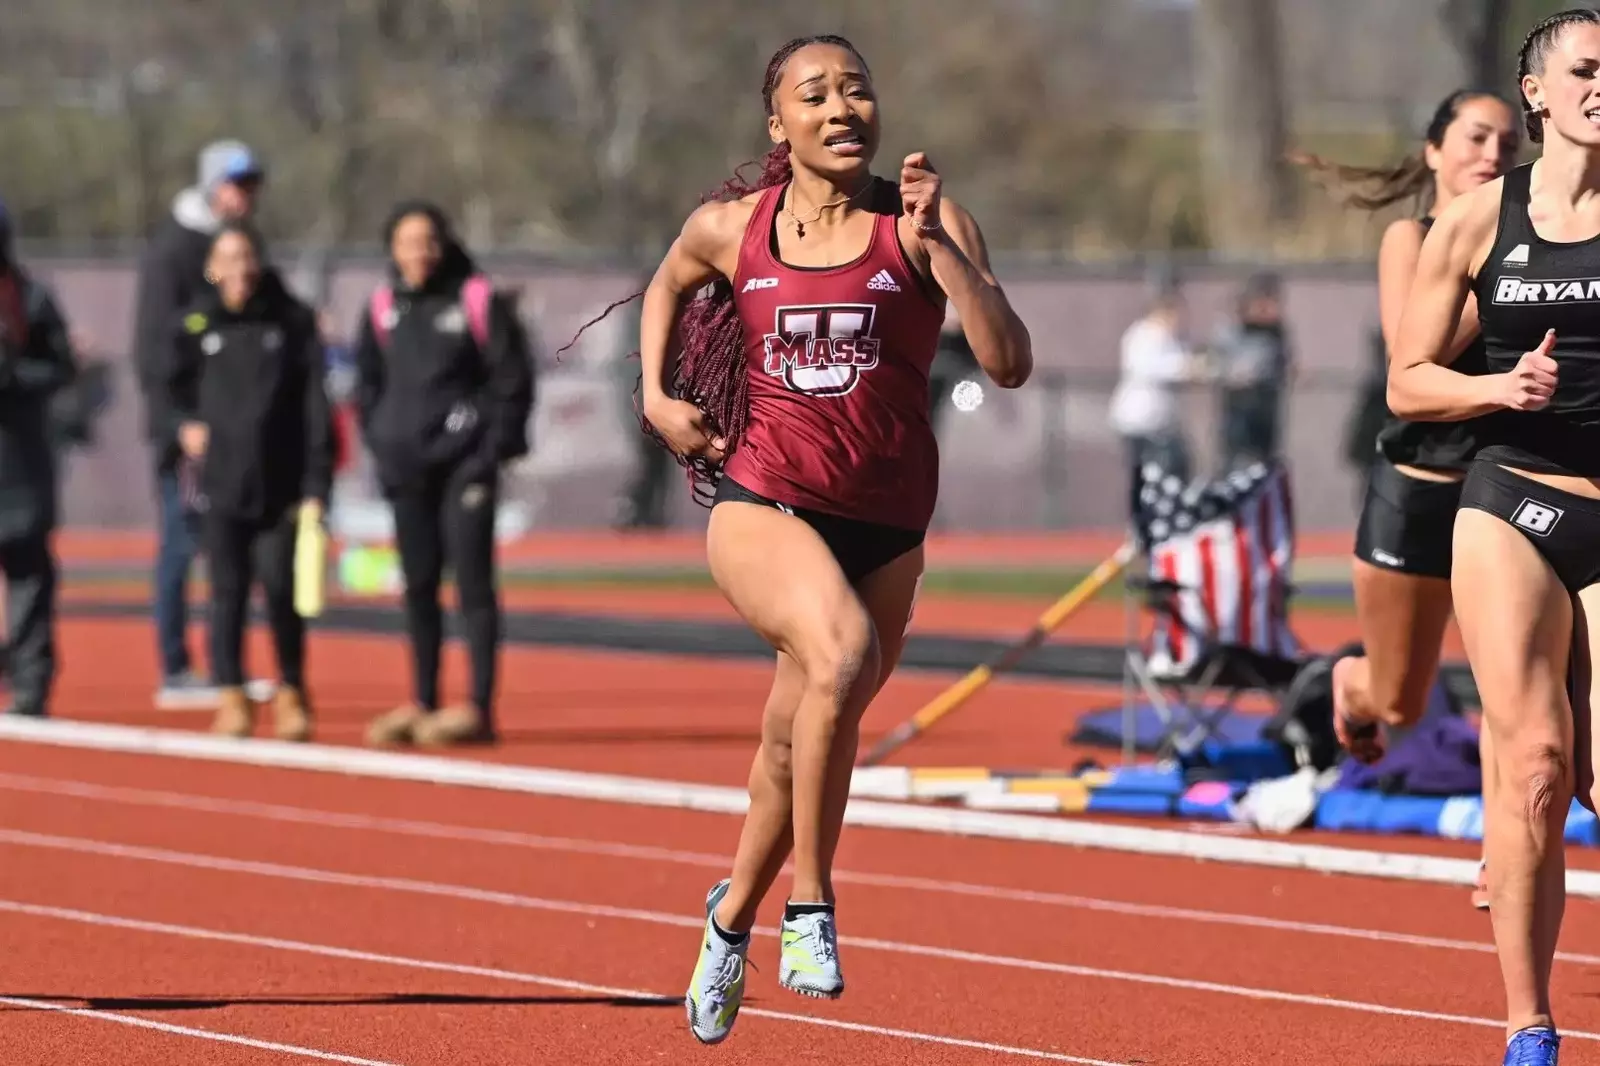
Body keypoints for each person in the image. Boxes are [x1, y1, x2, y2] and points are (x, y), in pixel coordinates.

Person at [565, 34, 1031, 1045]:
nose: (841, 108)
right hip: (764, 502)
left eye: (856, 89)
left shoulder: (926, 224)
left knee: (793, 742)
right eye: (814, 94)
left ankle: (727, 916)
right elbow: (664, 283)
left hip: (889, 525)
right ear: (778, 123)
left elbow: (1007, 363)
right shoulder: (733, 228)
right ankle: (808, 907)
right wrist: (657, 397)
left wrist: (940, 252)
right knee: (840, 657)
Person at [1388, 10, 1600, 1063]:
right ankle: (1529, 1025)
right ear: (1536, 92)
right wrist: (1496, 383)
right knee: (1535, 766)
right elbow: (1407, 376)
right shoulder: (1477, 218)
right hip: (1509, 494)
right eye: (1586, 71)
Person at [1296, 89, 1519, 913]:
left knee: (1511, 688)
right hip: (1416, 494)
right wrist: (1499, 278)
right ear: (1434, 152)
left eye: (1505, 141)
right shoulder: (1412, 239)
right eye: (1473, 138)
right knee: (1401, 701)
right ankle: (1350, 684)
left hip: (1501, 488)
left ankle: (1508, 846)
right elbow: (1408, 368)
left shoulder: (1540, 241)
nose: (1492, 154)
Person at [356, 202, 534, 749]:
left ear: (444, 243)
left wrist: (490, 451)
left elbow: (512, 380)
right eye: (407, 242)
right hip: (408, 468)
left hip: (467, 469)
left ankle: (478, 707)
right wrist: (383, 440)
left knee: (474, 585)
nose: (418, 252)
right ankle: (424, 701)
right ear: (392, 249)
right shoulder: (384, 308)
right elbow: (366, 385)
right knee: (418, 586)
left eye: (428, 240)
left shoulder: (475, 299)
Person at [161, 222, 333, 740]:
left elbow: (315, 408)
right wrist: (181, 425)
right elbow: (167, 389)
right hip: (220, 484)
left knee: (282, 590)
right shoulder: (193, 325)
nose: (238, 270)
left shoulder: (292, 322)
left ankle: (293, 691)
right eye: (227, 259)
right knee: (226, 594)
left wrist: (316, 485)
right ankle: (232, 693)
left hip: (280, 485)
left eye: (246, 257)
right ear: (213, 268)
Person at [133, 139, 265, 710]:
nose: (247, 195)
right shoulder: (174, 250)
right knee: (182, 545)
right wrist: (177, 420)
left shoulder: (241, 244)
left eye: (252, 184)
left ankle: (225, 666)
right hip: (187, 433)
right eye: (237, 183)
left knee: (229, 551)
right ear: (213, 185)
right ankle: (176, 668)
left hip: (233, 429)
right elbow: (152, 349)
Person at [0, 200, 79, 718]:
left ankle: (31, 681)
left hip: (20, 464)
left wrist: (14, 377)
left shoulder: (29, 298)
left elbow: (60, 366)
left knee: (30, 575)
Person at [1212, 272, 1293, 470]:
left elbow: (1284, 367)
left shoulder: (1276, 334)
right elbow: (1220, 367)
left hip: (1265, 416)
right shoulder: (1231, 333)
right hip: (1240, 416)